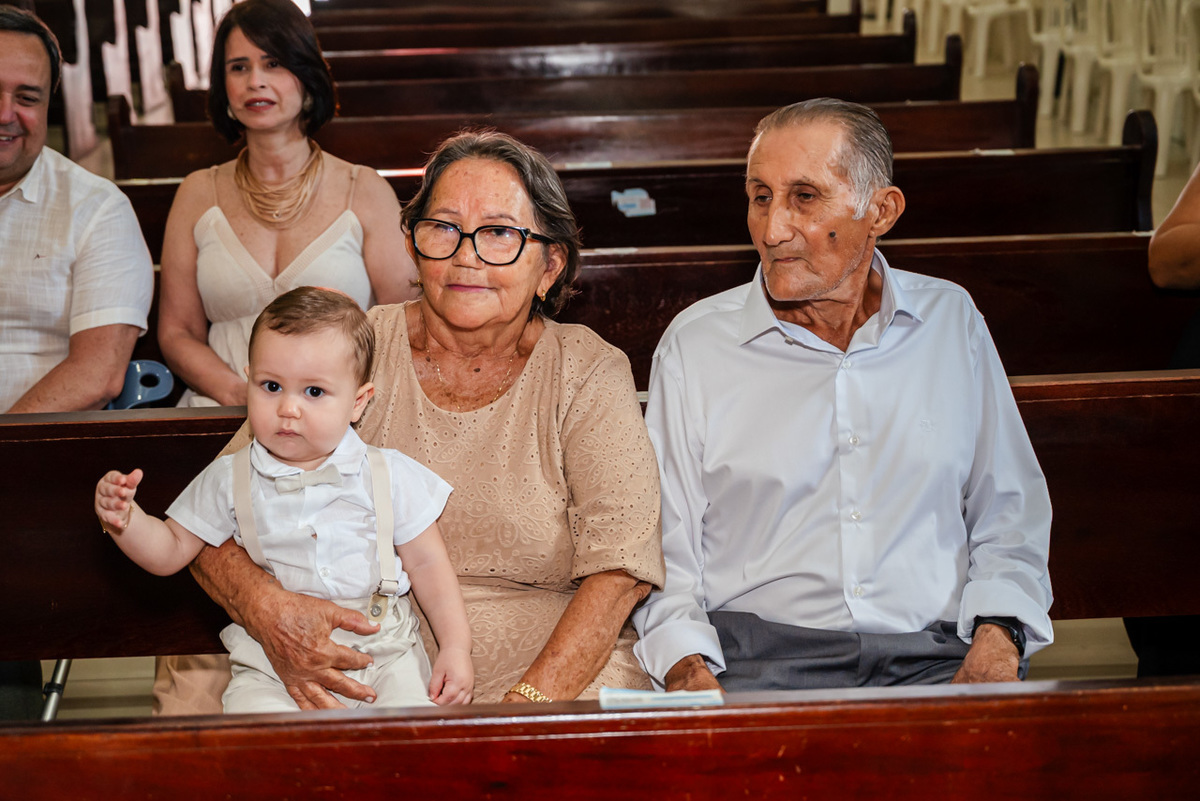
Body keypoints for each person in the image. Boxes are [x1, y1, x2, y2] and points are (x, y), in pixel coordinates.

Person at [153, 130, 664, 713]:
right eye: (444, 227)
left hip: (551, 671)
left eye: (498, 232)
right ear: (414, 247)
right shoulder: (355, 349)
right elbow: (212, 515)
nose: (466, 254)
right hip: (366, 665)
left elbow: (621, 570)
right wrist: (273, 613)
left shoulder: (585, 370)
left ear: (549, 265)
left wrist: (525, 707)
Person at [632, 98, 1053, 693]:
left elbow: (1008, 512)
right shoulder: (698, 346)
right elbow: (663, 549)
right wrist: (686, 668)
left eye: (804, 197)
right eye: (760, 197)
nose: (773, 229)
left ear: (881, 210)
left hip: (937, 656)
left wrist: (998, 635)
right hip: (758, 664)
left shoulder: (949, 321)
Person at [98, 287, 473, 712]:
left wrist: (455, 648)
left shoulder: (388, 473)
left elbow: (428, 564)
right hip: (271, 666)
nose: (288, 408)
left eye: (313, 392)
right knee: (261, 741)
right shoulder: (228, 478)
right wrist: (125, 519)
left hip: (385, 655)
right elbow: (169, 552)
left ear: (358, 402)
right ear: (249, 380)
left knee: (412, 741)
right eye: (271, 386)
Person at [158, 0, 417, 407]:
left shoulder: (362, 189)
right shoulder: (197, 193)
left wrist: (329, 402)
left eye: (274, 63)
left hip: (341, 419)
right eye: (238, 67)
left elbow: (402, 323)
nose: (255, 81)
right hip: (219, 410)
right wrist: (240, 395)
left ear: (307, 76)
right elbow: (178, 332)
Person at [0, 6, 153, 414]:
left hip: (39, 452)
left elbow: (97, 374)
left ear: (49, 103)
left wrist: (9, 444)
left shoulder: (97, 210)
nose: (4, 114)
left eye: (26, 97)